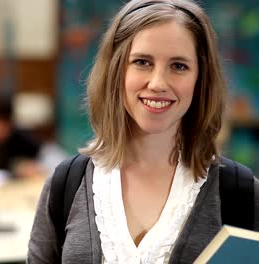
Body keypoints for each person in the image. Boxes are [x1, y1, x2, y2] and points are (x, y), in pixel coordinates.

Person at [27, 0, 259, 263]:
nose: (158, 83)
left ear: (200, 79)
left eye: (179, 66)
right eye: (142, 62)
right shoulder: (66, 184)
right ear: (116, 71)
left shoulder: (241, 193)